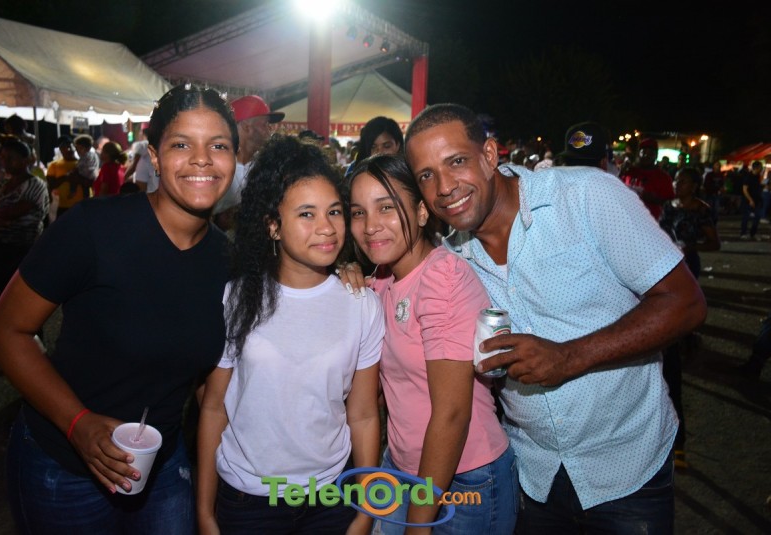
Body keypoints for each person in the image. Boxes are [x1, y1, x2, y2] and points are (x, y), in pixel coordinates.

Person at [403, 103, 707, 533]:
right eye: (426, 175)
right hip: (534, 476)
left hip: (627, 469)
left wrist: (570, 356)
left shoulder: (584, 196)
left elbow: (685, 302)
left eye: (456, 162)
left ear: (489, 156)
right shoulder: (451, 260)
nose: (445, 187)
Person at [0, 83, 238, 534]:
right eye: (182, 144)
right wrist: (77, 424)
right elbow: (7, 330)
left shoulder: (229, 262)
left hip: (163, 466)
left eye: (218, 146)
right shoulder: (93, 228)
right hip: (63, 467)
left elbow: (210, 382)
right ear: (155, 156)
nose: (202, 159)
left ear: (234, 159)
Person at [197, 135, 384, 535]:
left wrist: (366, 511)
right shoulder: (237, 297)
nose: (326, 228)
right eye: (306, 214)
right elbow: (213, 408)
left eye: (334, 212)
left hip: (330, 497)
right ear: (273, 226)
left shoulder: (361, 304)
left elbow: (365, 414)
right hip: (248, 499)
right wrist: (204, 511)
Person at [347, 154, 516, 534]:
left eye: (386, 208)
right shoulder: (381, 282)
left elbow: (452, 413)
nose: (370, 226)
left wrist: (419, 523)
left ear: (422, 212)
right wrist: (348, 273)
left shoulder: (443, 277)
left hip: (465, 478)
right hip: (402, 467)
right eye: (358, 213)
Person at [658, 167, 721, 469]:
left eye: (683, 181)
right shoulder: (669, 207)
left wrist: (690, 246)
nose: (677, 184)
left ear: (694, 185)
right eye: (676, 179)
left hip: (687, 263)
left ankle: (683, 336)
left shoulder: (701, 210)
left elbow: (714, 242)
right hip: (665, 262)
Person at [0, 138, 48, 357]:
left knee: (25, 303)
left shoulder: (35, 185)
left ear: (25, 160)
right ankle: (0, 342)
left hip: (23, 251)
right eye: (3, 158)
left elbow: (14, 212)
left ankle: (33, 350)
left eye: (11, 158)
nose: (5, 163)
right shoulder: (0, 186)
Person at [212, 94, 285, 233]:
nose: (270, 130)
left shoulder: (265, 165)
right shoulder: (215, 166)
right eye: (265, 124)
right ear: (246, 127)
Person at [620, 137, 674, 219]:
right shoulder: (630, 172)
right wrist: (621, 172)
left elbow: (670, 203)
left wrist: (654, 199)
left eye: (651, 154)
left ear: (656, 156)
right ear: (639, 154)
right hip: (627, 218)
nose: (646, 156)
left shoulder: (664, 177)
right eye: (643, 152)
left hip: (651, 221)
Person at [45, 135, 83, 217]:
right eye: (64, 148)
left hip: (82, 205)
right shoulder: (54, 165)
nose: (68, 150)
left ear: (74, 147)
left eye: (70, 147)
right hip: (64, 206)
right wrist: (66, 177)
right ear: (60, 150)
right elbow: (51, 184)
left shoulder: (83, 164)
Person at [124, 126, 157, 193]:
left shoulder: (143, 155)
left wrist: (124, 178)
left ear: (142, 134)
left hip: (151, 194)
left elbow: (133, 166)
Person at [739, 160, 764, 240]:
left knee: (757, 217)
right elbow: (745, 189)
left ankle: (752, 233)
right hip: (748, 200)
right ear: (757, 168)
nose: (762, 169)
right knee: (746, 217)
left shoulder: (758, 176)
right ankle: (743, 233)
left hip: (756, 200)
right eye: (761, 167)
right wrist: (750, 200)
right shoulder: (748, 176)